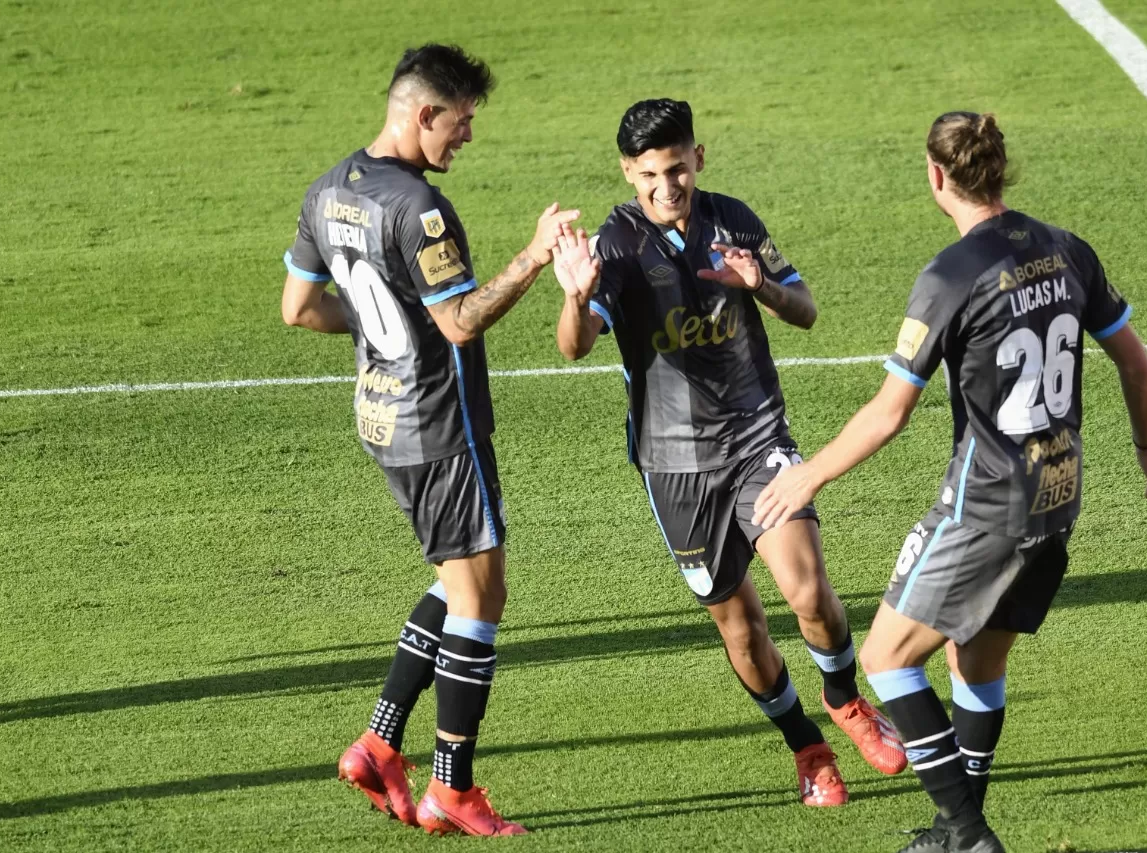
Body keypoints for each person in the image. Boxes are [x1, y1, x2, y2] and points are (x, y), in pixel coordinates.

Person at [752, 111, 1147, 852]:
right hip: (1057, 494)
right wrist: (1146, 443)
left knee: (884, 659)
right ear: (1001, 169)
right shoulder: (1066, 249)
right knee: (974, 659)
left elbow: (890, 412)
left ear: (936, 176)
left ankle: (970, 834)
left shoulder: (950, 275)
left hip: (985, 507)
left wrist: (807, 474)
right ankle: (954, 829)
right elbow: (1136, 361)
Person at [550, 98, 907, 809]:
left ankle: (846, 699)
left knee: (807, 590)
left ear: (698, 159)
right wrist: (576, 296)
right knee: (739, 627)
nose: (665, 186)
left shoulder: (734, 220)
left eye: (676, 168)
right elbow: (575, 343)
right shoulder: (616, 245)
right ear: (628, 172)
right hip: (675, 465)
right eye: (648, 173)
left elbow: (805, 310)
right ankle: (807, 746)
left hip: (757, 438)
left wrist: (761, 286)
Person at [280, 44, 580, 837]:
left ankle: (380, 743)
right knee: (482, 595)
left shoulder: (326, 190)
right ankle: (452, 785)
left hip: (380, 414)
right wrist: (534, 256)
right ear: (424, 114)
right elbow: (458, 321)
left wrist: (390, 328)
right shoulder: (420, 210)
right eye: (462, 122)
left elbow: (300, 308)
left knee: (456, 581)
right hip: (439, 423)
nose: (467, 138)